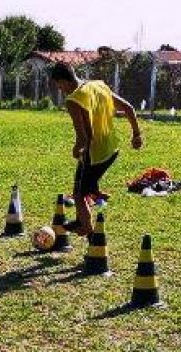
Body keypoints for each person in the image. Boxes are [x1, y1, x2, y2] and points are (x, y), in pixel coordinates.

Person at [49, 63, 143, 236]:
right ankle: (91, 198)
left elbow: (83, 138)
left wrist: (76, 150)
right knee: (82, 187)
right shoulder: (99, 85)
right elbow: (129, 108)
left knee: (78, 194)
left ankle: (88, 231)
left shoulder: (73, 100)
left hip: (95, 154)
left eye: (59, 85)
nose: (60, 89)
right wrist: (136, 134)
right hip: (112, 149)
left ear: (63, 80)